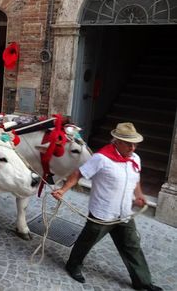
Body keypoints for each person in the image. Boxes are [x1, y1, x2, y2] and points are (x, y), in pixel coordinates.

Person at [51, 122, 162, 291]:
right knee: (86, 242)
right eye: (128, 143)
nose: (133, 147)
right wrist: (63, 190)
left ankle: (143, 282)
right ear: (116, 141)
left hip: (124, 213)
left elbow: (135, 179)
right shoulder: (101, 158)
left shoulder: (134, 158)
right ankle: (73, 265)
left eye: (135, 143)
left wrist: (139, 195)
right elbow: (78, 173)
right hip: (103, 213)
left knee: (132, 246)